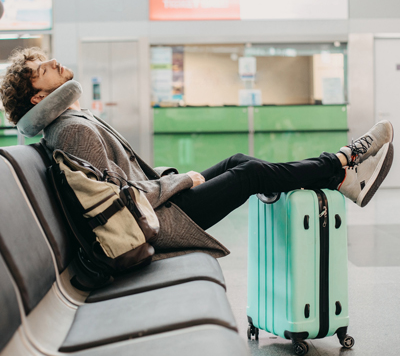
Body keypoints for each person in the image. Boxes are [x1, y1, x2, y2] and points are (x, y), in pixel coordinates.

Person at [0, 47, 394, 259]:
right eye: (41, 68)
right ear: (38, 96)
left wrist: (173, 179)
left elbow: (126, 181)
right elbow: (120, 201)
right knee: (248, 176)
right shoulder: (71, 131)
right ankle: (343, 162)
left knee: (239, 161)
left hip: (158, 203)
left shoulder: (73, 120)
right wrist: (183, 180)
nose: (51, 61)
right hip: (153, 220)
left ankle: (341, 179)